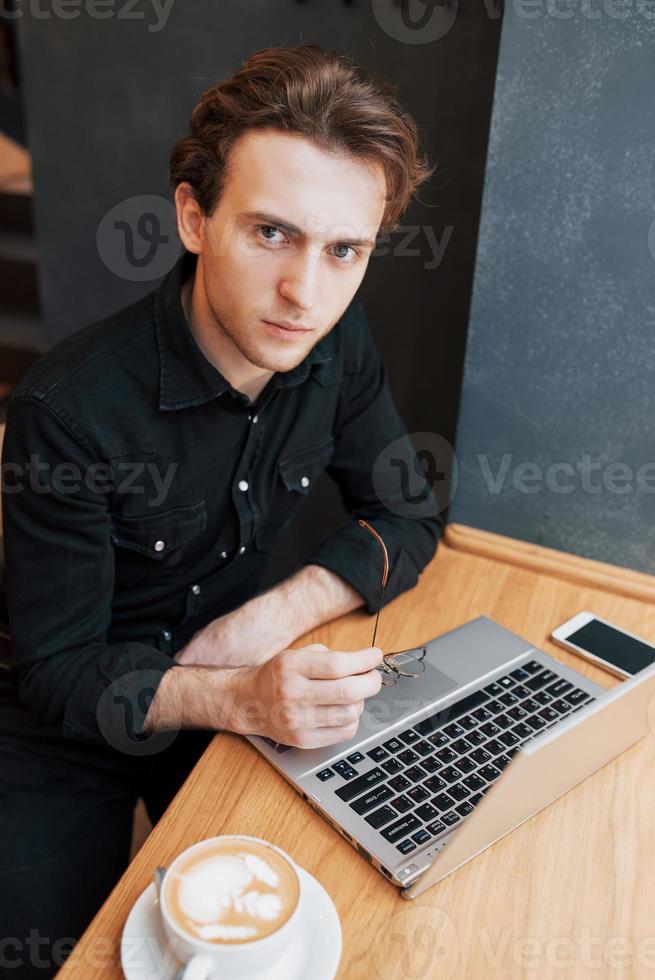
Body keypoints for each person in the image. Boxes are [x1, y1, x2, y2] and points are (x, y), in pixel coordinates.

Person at [0, 44, 441, 977]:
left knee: (365, 903)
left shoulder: (337, 340)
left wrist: (270, 619)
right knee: (52, 959)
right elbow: (58, 668)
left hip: (235, 677)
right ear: (194, 218)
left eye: (343, 250)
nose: (305, 295)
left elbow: (408, 514)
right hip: (67, 729)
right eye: (271, 234)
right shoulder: (65, 408)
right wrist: (234, 694)